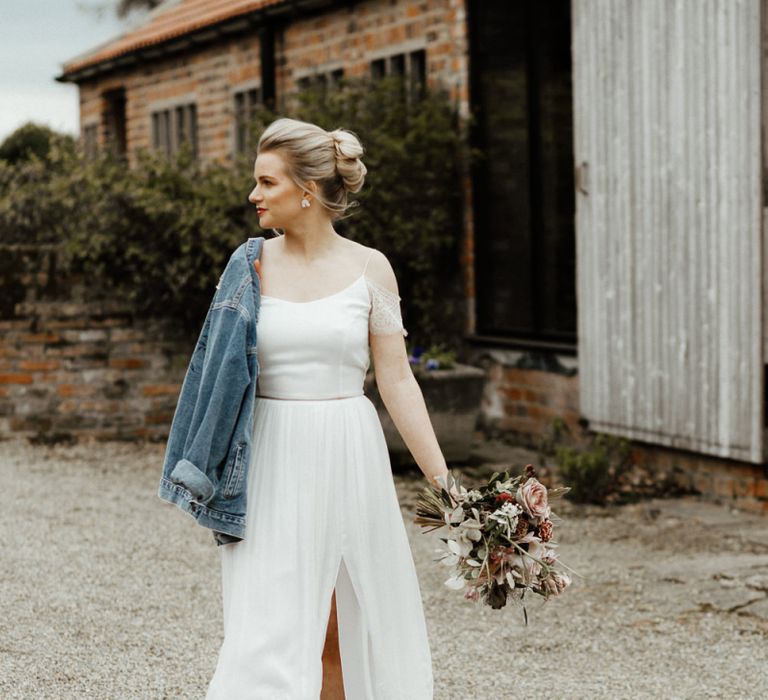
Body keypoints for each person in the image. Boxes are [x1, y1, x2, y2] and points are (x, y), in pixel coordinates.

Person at [204, 117, 450, 700]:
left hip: (347, 454)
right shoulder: (249, 267)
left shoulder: (371, 269)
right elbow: (212, 377)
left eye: (267, 183)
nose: (254, 195)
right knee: (269, 626)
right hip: (267, 457)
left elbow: (396, 381)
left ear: (307, 191)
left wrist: (446, 484)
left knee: (343, 626)